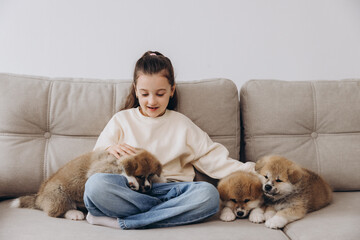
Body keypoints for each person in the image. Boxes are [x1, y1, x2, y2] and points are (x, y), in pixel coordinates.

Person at [83, 51, 254, 229]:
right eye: (144, 94)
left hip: (172, 192)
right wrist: (108, 150)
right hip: (130, 190)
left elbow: (216, 160)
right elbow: (94, 162)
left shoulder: (182, 125)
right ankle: (163, 214)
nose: (151, 101)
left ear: (171, 90)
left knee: (209, 195)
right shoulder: (121, 120)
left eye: (160, 94)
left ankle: (125, 222)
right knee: (95, 187)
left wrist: (255, 172)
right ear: (135, 90)